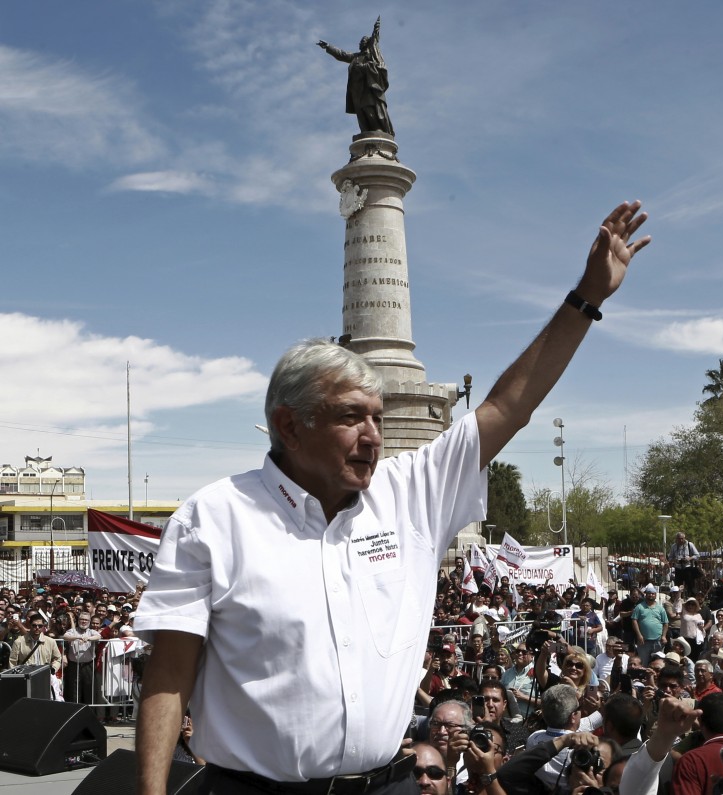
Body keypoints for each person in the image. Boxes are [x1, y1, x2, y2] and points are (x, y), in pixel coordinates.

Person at [133, 201, 652, 794]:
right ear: (290, 424)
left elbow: (510, 405)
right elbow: (167, 678)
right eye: (350, 417)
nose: (373, 437)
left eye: (378, 418)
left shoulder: (410, 493)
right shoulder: (213, 519)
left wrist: (587, 299)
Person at [317, 17, 394, 136]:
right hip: (357, 90)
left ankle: (377, 128)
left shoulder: (372, 55)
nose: (360, 42)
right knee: (361, 110)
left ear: (367, 43)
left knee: (370, 108)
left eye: (363, 40)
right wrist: (328, 46)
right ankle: (366, 130)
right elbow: (342, 54)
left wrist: (375, 31)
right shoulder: (356, 57)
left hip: (370, 87)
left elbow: (375, 42)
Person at [63, 611, 103, 704]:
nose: (83, 621)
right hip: (73, 664)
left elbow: (98, 636)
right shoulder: (73, 631)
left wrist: (88, 638)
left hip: (88, 665)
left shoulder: (91, 631)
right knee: (74, 690)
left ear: (89, 621)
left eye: (86, 620)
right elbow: (65, 636)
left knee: (89, 689)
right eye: (82, 619)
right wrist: (77, 637)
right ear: (78, 620)